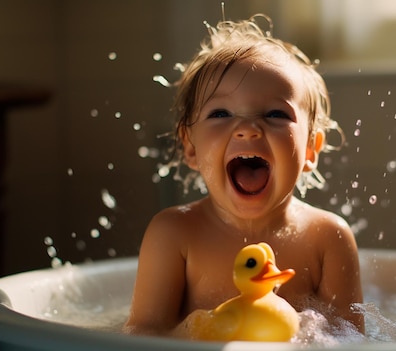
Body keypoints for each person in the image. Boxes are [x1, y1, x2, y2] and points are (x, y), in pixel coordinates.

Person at [123, 14, 364, 338]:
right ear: (190, 146)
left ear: (310, 148)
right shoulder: (174, 234)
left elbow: (350, 340)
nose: (249, 129)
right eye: (220, 113)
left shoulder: (327, 238)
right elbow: (143, 337)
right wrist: (202, 328)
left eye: (276, 114)